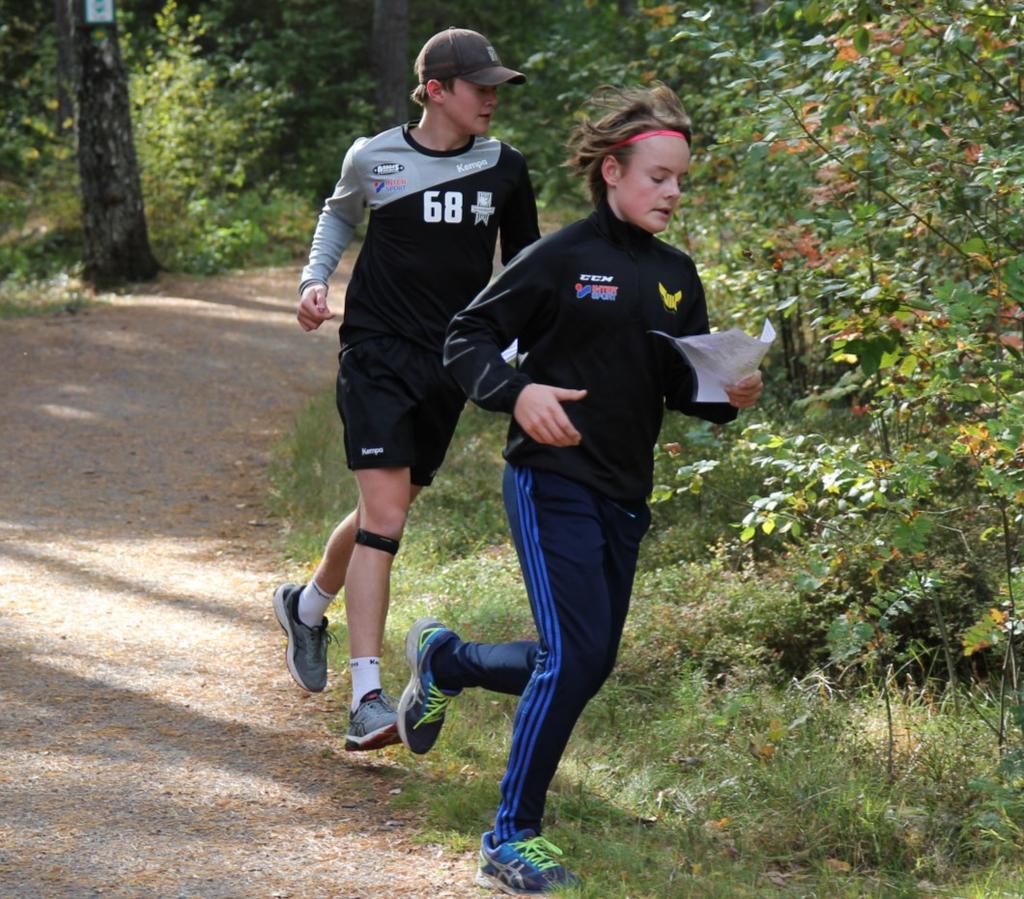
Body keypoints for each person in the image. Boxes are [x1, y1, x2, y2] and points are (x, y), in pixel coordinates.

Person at [396, 83, 763, 892]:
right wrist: (517, 391)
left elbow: (681, 385)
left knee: (584, 660)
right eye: (658, 177)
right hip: (550, 478)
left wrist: (728, 395)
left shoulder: (676, 274)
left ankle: (448, 660)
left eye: (680, 181)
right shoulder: (559, 258)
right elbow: (467, 335)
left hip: (625, 489)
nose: (672, 192)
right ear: (611, 171)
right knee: (576, 655)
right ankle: (509, 835)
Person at [273, 27, 539, 752]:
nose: (491, 96)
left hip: (449, 363)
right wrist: (313, 280)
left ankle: (306, 603)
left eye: (495, 84)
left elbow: (524, 271)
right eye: (478, 85)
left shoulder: (506, 169)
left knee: (382, 510)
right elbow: (338, 212)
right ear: (434, 91)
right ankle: (366, 698)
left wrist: (516, 355)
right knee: (385, 515)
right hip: (376, 352)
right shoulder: (374, 156)